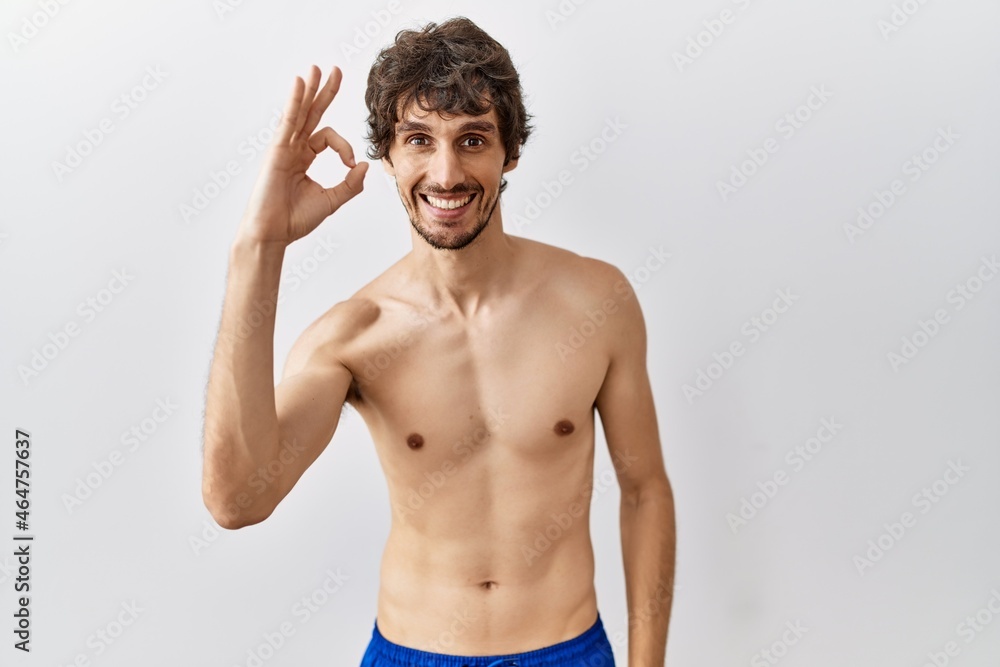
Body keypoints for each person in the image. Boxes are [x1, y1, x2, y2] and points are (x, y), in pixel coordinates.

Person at [200, 16, 675, 667]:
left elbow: (645, 489)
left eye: (472, 139)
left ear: (510, 152)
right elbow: (237, 499)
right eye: (419, 139)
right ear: (389, 156)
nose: (446, 173)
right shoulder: (356, 332)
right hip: (411, 651)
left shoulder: (597, 302)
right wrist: (258, 247)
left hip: (565, 648)